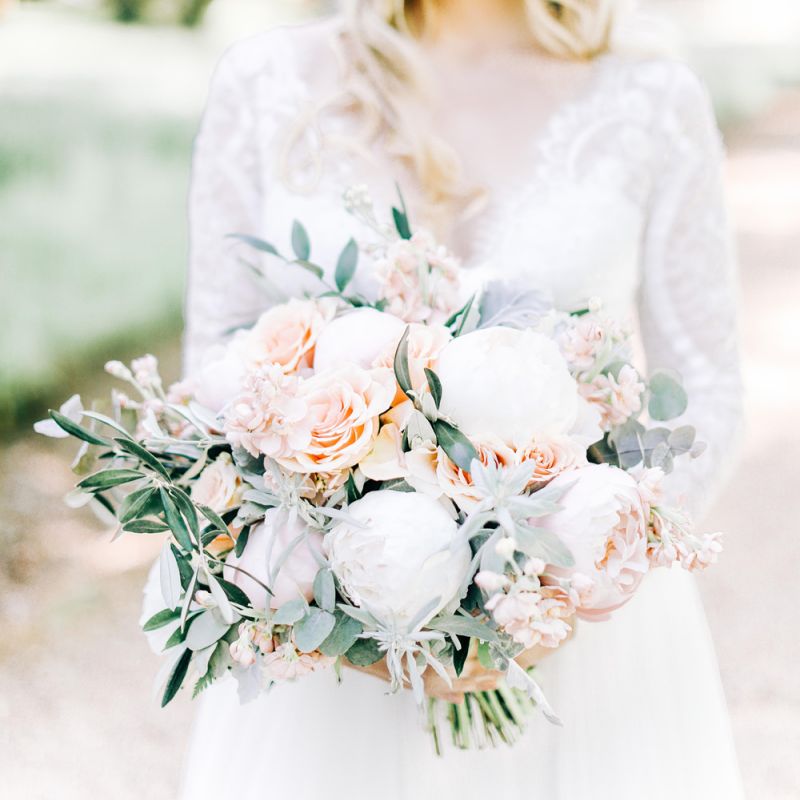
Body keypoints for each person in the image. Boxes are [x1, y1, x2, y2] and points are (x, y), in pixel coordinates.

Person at [169, 1, 745, 797]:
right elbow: (217, 371)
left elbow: (707, 391)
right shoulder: (266, 85)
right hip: (327, 663)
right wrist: (354, 624)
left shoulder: (651, 99)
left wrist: (551, 601)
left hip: (582, 653)